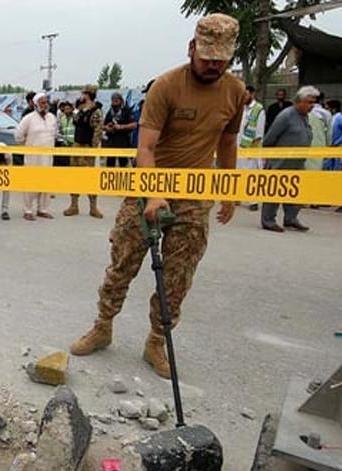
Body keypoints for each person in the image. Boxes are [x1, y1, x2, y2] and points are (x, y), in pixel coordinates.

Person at [70, 13, 244, 378]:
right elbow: (145, 148)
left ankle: (155, 342)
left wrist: (229, 190)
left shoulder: (234, 92)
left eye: (221, 60)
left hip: (194, 196)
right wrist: (152, 194)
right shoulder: (166, 86)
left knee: (178, 275)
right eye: (207, 57)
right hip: (147, 188)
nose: (213, 65)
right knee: (123, 261)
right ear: (191, 48)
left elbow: (228, 141)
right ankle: (103, 326)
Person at [259, 86, 317, 233]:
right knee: (275, 191)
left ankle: (291, 218)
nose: (312, 106)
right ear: (298, 101)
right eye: (309, 102)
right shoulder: (285, 116)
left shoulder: (304, 116)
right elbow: (269, 139)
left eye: (313, 103)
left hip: (297, 162)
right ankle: (268, 220)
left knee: (294, 191)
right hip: (281, 162)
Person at [14, 92, 57, 220]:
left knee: (46, 183)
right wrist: (28, 145)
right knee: (31, 184)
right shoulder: (28, 118)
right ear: (36, 104)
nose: (45, 105)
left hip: (48, 157)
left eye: (46, 102)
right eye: (42, 103)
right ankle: (28, 210)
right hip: (33, 157)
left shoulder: (52, 118)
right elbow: (18, 136)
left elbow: (54, 135)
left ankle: (42, 209)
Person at [66, 85, 104, 218]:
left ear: (88, 94)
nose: (81, 95)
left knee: (90, 178)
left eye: (83, 93)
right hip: (77, 146)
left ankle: (93, 207)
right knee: (74, 177)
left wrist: (92, 150)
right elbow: (75, 121)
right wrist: (77, 109)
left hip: (88, 148)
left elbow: (98, 132)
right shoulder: (81, 109)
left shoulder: (96, 111)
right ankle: (74, 205)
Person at [237, 86, 266, 210]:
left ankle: (253, 201)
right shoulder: (240, 109)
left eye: (246, 94)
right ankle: (236, 197)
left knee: (251, 175)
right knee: (238, 173)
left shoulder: (258, 110)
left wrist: (251, 150)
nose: (244, 97)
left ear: (252, 94)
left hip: (251, 148)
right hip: (238, 147)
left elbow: (259, 133)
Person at [103, 92, 136, 168]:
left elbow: (134, 125)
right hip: (111, 143)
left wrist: (121, 127)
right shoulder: (110, 111)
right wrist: (107, 128)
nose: (114, 103)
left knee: (123, 165)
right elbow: (104, 125)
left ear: (121, 101)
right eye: (113, 101)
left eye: (116, 101)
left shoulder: (126, 110)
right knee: (110, 165)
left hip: (123, 142)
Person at [323, 99, 342, 171]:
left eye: (327, 108)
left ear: (334, 109)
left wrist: (337, 142)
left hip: (337, 148)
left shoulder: (339, 118)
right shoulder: (331, 118)